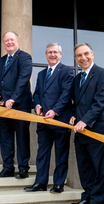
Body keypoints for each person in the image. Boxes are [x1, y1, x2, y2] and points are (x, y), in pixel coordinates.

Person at [25, 42, 74, 193]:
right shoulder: (41, 74)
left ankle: (58, 183)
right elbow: (37, 93)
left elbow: (66, 95)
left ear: (60, 54)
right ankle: (40, 183)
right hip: (43, 121)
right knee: (42, 154)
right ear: (46, 55)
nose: (52, 55)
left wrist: (54, 111)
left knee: (61, 153)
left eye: (55, 52)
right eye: (49, 52)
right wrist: (37, 105)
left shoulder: (66, 71)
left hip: (60, 120)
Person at [69, 43, 104, 204]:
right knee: (84, 166)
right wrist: (73, 115)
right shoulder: (77, 79)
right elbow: (74, 102)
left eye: (86, 54)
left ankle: (97, 201)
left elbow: (100, 102)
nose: (83, 58)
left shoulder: (102, 74)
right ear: (75, 59)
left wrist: (84, 121)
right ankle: (87, 197)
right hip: (80, 131)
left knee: (98, 167)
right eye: (79, 55)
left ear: (92, 54)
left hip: (96, 129)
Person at [0, 31, 32, 178]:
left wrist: (13, 98)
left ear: (18, 41)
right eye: (6, 40)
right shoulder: (0, 61)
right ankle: (8, 167)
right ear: (4, 43)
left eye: (12, 40)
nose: (9, 42)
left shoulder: (25, 57)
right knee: (5, 137)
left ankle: (23, 169)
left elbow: (23, 79)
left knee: (22, 137)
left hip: (20, 105)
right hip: (3, 106)